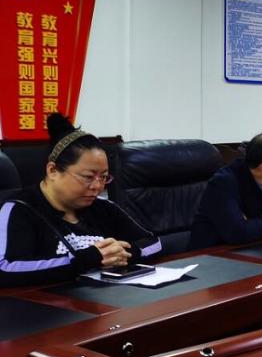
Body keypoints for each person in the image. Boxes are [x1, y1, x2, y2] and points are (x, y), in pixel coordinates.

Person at [0, 114, 161, 287]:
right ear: (53, 170)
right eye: (88, 177)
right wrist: (89, 259)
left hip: (105, 298)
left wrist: (124, 254)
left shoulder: (102, 207)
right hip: (47, 302)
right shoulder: (19, 209)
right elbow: (5, 269)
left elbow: (154, 242)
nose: (97, 187)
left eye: (104, 177)